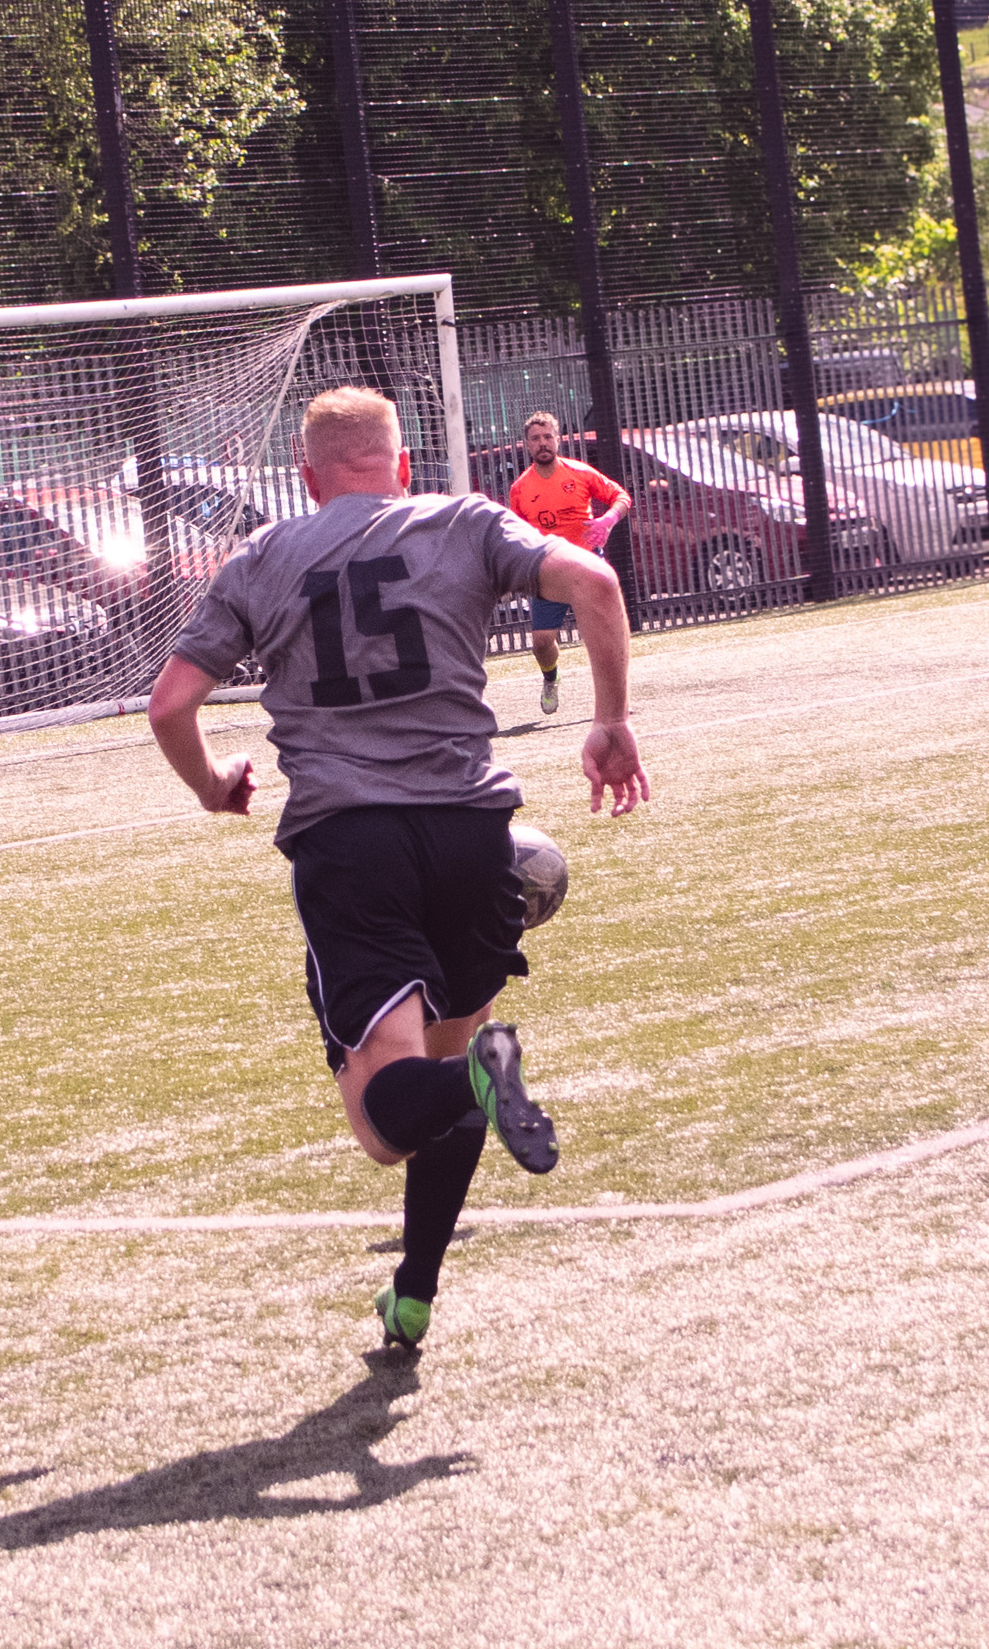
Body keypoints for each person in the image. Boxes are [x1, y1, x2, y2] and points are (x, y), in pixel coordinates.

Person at [149, 387, 651, 1353]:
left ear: (307, 479)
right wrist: (611, 722)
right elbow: (595, 582)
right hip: (474, 833)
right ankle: (412, 1295)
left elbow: (171, 705)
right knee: (454, 1060)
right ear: (404, 466)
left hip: (352, 844)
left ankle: (475, 1081)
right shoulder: (462, 520)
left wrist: (215, 786)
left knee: (385, 1124)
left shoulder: (262, 558)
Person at [505, 410, 632, 719]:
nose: (542, 443)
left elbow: (621, 496)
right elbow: (517, 533)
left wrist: (608, 519)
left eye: (547, 436)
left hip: (587, 565)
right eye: (536, 438)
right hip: (547, 571)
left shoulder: (580, 473)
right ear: (527, 445)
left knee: (605, 636)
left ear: (558, 439)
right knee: (541, 643)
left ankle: (617, 700)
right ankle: (551, 678)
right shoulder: (521, 489)